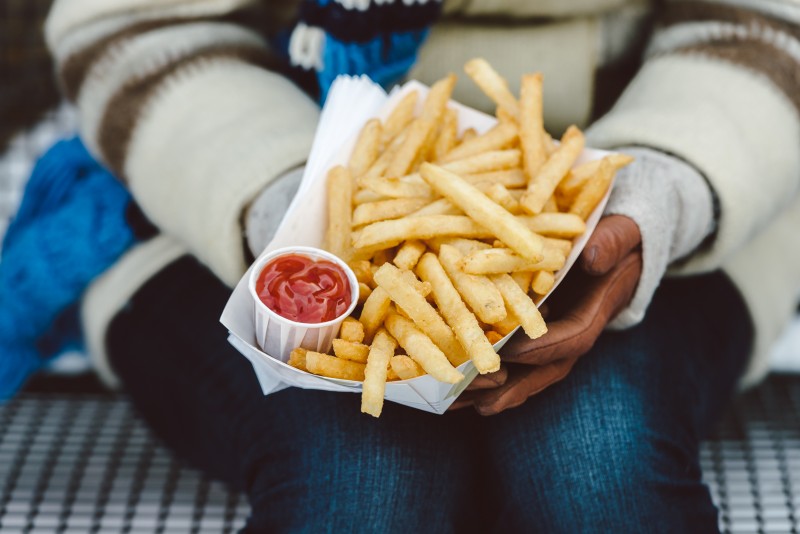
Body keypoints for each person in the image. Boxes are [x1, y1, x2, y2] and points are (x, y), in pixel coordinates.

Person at [9, 0, 797, 531]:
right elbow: (140, 27)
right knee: (358, 484)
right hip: (230, 173)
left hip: (681, 159)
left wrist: (656, 191)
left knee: (593, 458)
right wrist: (303, 204)